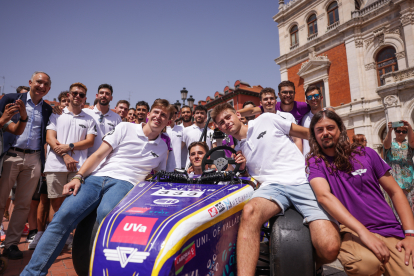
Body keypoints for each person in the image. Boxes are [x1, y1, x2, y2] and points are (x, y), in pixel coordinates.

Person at [21, 99, 174, 275]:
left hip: (127, 183)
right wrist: (78, 177)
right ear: (148, 114)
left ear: (168, 121)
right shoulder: (126, 127)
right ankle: (32, 273)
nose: (158, 117)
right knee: (62, 216)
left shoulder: (163, 147)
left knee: (106, 214)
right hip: (97, 178)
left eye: (164, 115)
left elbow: (159, 176)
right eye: (156, 112)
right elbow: (99, 154)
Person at [211, 102, 340, 276]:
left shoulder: (266, 119)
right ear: (219, 128)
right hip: (272, 187)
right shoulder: (239, 150)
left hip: (301, 180)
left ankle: (313, 263)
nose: (226, 122)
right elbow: (253, 175)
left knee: (330, 248)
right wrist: (242, 168)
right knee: (249, 211)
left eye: (228, 117)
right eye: (221, 122)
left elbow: (307, 133)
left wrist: (334, 152)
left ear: (238, 115)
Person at [307, 110, 414, 275]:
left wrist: (410, 235)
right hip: (353, 232)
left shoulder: (366, 153)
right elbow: (323, 196)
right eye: (320, 130)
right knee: (365, 265)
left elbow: (395, 191)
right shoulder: (315, 162)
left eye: (330, 127)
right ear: (314, 135)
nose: (325, 133)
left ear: (340, 130)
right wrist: (364, 233)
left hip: (389, 229)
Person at [29, 83, 97, 250]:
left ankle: (69, 237)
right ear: (69, 94)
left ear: (85, 98)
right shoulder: (56, 114)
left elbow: (90, 141)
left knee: (75, 205)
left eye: (81, 95)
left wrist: (70, 146)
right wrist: (66, 155)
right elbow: (50, 138)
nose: (78, 96)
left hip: (79, 168)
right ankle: (56, 239)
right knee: (56, 204)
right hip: (56, 166)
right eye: (75, 93)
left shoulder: (89, 119)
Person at [0, 71, 53, 259]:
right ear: (30, 82)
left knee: (22, 204)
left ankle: (11, 245)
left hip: (34, 160)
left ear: (48, 89)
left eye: (46, 84)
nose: (42, 86)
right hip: (10, 155)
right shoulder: (10, 99)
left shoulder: (48, 109)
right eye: (39, 82)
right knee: (0, 200)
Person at [239, 82, 310, 124]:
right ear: (279, 95)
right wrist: (232, 114)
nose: (288, 95)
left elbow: (316, 109)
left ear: (294, 93)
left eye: (291, 92)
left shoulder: (302, 106)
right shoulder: (273, 106)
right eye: (284, 92)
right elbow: (252, 111)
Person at [383, 120, 414, 218]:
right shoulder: (391, 143)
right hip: (394, 177)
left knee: (410, 202)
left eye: (404, 131)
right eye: (398, 131)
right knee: (396, 202)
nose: (401, 133)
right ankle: (399, 224)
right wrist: (389, 131)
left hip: (408, 178)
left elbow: (412, 142)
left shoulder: (408, 143)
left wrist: (409, 127)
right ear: (395, 132)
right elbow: (386, 145)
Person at [301, 85, 334, 157]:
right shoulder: (304, 119)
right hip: (309, 161)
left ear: (321, 97)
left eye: (316, 96)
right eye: (310, 97)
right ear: (307, 101)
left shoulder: (330, 115)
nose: (313, 99)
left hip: (328, 158)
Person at [166, 105, 184, 171]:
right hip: (164, 168)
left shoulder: (181, 129)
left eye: (175, 113)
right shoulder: (162, 129)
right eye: (171, 112)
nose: (173, 115)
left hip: (177, 168)